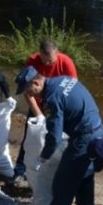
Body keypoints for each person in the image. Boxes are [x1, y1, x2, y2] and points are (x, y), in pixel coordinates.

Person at [15, 66, 103, 205]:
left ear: (36, 82)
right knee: (84, 173)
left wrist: (44, 156)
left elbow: (54, 135)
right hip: (97, 129)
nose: (30, 95)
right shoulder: (63, 79)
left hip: (83, 137)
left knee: (63, 181)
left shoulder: (51, 97)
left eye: (29, 90)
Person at [13, 40, 77, 181]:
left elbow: (73, 89)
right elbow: (27, 90)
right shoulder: (33, 61)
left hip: (58, 105)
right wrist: (39, 115)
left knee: (58, 137)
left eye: (51, 60)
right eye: (44, 60)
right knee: (30, 136)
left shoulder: (66, 62)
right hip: (38, 102)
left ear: (57, 52)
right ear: (39, 53)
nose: (47, 64)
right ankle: (19, 170)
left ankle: (53, 171)